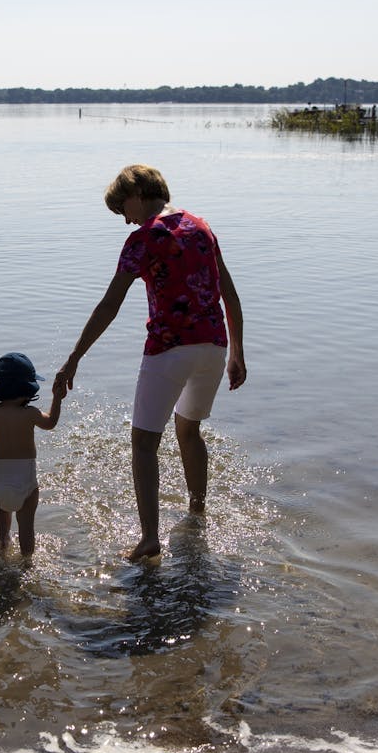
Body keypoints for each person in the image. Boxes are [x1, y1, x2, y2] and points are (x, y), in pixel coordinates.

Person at [56, 164, 247, 562]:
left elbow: (110, 304)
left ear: (140, 193)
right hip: (213, 345)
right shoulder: (202, 227)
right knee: (189, 429)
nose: (125, 219)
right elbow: (229, 292)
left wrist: (74, 357)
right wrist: (237, 352)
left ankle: (149, 539)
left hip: (169, 348)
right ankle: (197, 510)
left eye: (123, 208)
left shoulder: (143, 239)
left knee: (144, 443)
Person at [0, 353, 66, 557]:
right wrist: (57, 398)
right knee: (26, 526)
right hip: (25, 482)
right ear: (26, 388)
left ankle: (3, 545)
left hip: (0, 483)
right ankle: (27, 561)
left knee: (2, 510)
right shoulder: (30, 413)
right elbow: (51, 423)